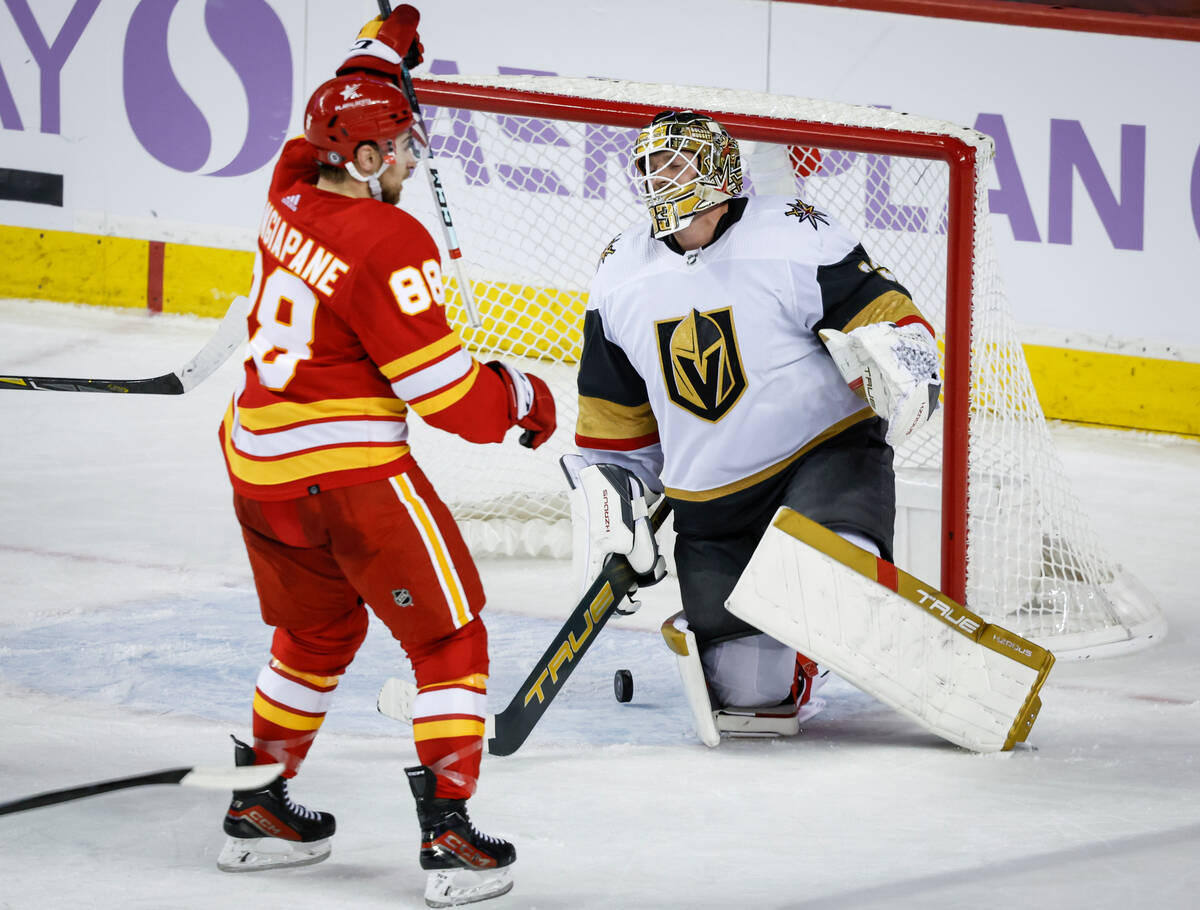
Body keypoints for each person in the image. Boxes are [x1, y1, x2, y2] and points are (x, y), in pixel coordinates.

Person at [214, 7, 552, 905]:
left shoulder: (289, 184)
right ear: (360, 158)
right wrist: (524, 400)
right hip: (350, 481)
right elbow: (451, 402)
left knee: (319, 633)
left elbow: (336, 107)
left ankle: (258, 807)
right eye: (398, 146)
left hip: (258, 471)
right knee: (449, 639)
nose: (410, 159)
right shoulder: (388, 240)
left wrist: (381, 49)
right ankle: (449, 839)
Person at [568, 110, 940, 742]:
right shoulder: (620, 274)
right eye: (652, 168)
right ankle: (798, 663)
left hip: (820, 458)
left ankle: (829, 625)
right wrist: (614, 512)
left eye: (677, 164)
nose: (663, 179)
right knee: (750, 699)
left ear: (719, 171)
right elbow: (614, 422)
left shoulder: (794, 235)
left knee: (833, 574)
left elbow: (888, 314)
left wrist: (902, 357)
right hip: (712, 503)